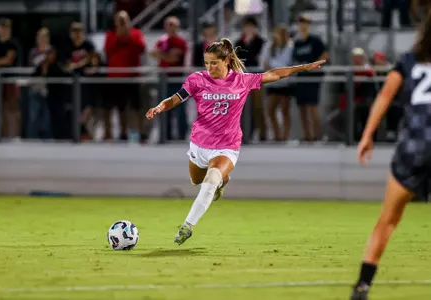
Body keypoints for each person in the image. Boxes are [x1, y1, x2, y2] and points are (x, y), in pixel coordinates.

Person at [146, 38, 325, 245]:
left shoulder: (241, 81)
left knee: (211, 180)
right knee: (196, 181)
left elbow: (274, 74)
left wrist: (302, 67)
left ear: (227, 61)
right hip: (199, 144)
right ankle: (224, 180)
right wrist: (160, 107)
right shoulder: (197, 80)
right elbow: (176, 98)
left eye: (214, 63)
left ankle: (187, 226)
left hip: (226, 146)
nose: (209, 67)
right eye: (206, 63)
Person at [350, 10, 431, 300]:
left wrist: (367, 135)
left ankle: (362, 286)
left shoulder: (409, 61)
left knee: (388, 220)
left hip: (413, 146)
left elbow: (384, 96)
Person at [104, 10, 146, 141]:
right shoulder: (110, 35)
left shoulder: (136, 34)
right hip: (115, 78)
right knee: (119, 107)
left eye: (124, 20)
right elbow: (108, 50)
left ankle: (141, 133)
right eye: (119, 21)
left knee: (137, 107)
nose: (122, 23)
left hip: (133, 77)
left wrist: (128, 35)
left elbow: (141, 48)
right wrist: (118, 37)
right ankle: (122, 133)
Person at [292, 14, 328, 142]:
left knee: (312, 107)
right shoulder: (297, 42)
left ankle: (318, 135)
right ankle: (307, 136)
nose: (303, 25)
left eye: (306, 23)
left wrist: (314, 66)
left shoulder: (315, 40)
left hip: (313, 77)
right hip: (301, 77)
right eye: (301, 23)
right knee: (302, 108)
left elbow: (324, 54)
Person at [261, 24, 294, 141]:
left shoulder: (290, 48)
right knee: (270, 111)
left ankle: (285, 136)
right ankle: (277, 135)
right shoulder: (268, 47)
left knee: (285, 111)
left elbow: (286, 66)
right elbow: (263, 62)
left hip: (285, 83)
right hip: (272, 83)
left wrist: (272, 65)